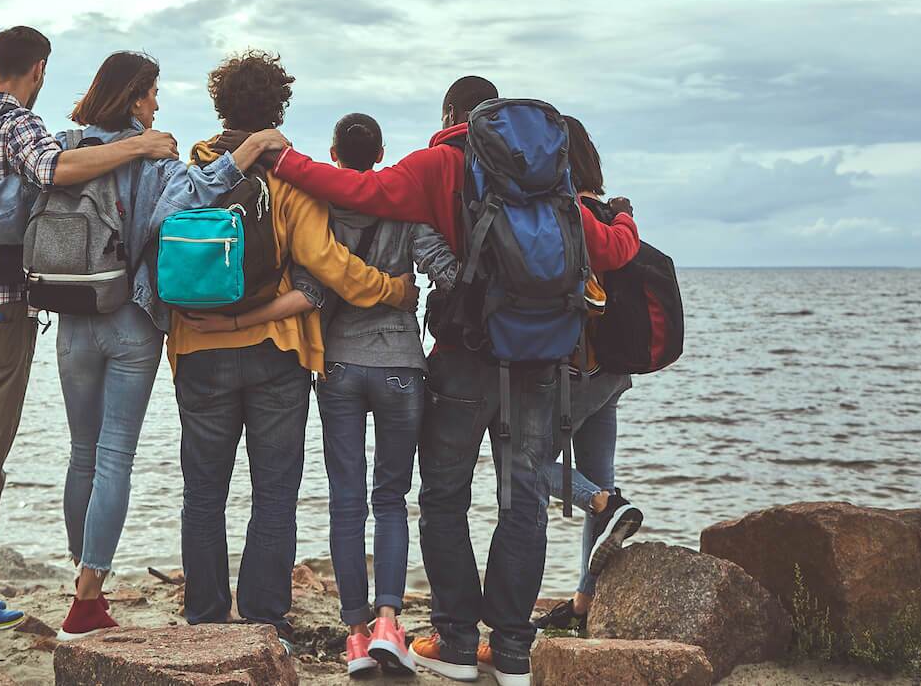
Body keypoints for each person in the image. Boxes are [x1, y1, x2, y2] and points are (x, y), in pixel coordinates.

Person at [265, 76, 642, 686]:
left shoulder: (442, 163)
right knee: (524, 501)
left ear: (450, 114)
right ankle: (515, 649)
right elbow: (612, 251)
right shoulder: (547, 174)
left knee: (444, 498)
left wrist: (283, 159)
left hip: (464, 357)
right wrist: (622, 218)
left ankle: (458, 642)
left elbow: (356, 186)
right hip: (542, 358)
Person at [0, 26, 181, 639]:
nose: (156, 105)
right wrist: (144, 150)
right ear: (37, 69)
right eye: (153, 94)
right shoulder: (29, 131)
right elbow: (52, 172)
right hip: (12, 311)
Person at [166, 51, 419, 641]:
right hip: (276, 351)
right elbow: (328, 264)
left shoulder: (190, 170)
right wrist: (390, 290)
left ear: (218, 105)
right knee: (273, 490)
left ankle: (204, 614)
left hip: (197, 346)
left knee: (203, 491)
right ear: (277, 107)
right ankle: (263, 615)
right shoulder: (289, 177)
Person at [48, 51, 282, 639]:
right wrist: (247, 153)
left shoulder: (65, 146)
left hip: (72, 316)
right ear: (133, 97)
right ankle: (87, 593)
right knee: (114, 455)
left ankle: (84, 578)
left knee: (82, 452)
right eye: (152, 94)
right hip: (129, 318)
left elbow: (18, 204)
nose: (157, 105)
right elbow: (195, 197)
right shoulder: (155, 153)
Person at [314, 113, 458, 678]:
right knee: (391, 498)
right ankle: (388, 625)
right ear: (380, 155)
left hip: (340, 365)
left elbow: (311, 279)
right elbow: (444, 271)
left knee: (346, 499)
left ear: (333, 153)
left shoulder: (322, 210)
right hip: (401, 365)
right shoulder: (405, 206)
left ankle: (353, 636)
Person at [531, 116, 643, 633]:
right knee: (598, 472)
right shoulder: (610, 209)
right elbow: (623, 246)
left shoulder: (572, 209)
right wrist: (625, 215)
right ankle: (584, 602)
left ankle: (604, 503)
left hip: (583, 368)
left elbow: (606, 253)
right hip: (616, 368)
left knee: (525, 463)